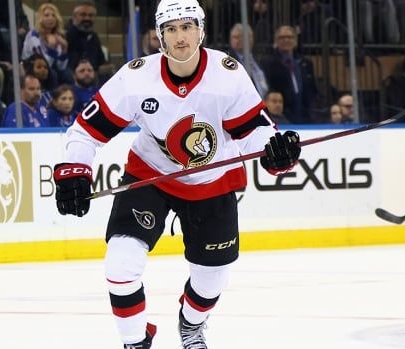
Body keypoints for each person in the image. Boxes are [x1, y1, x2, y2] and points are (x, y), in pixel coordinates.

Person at [52, 1, 301, 348]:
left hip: (212, 183)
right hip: (151, 177)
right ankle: (135, 340)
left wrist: (276, 149)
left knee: (210, 283)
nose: (180, 37)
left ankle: (191, 323)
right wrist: (74, 170)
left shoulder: (227, 75)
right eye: (170, 29)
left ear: (201, 30)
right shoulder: (137, 77)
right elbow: (84, 132)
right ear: (159, 37)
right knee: (120, 264)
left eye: (186, 27)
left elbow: (255, 130)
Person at [261, 25, 318, 124]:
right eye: (282, 38)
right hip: (282, 116)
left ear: (295, 40)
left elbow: (311, 88)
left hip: (305, 115)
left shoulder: (305, 63)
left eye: (290, 37)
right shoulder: (268, 62)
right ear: (276, 41)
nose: (286, 40)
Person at [21, 3, 70, 84]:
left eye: (53, 15)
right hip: (31, 67)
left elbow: (61, 67)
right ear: (40, 18)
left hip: (49, 70)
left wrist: (64, 48)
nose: (51, 18)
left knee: (67, 74)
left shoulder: (58, 36)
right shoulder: (34, 35)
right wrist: (51, 48)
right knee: (52, 74)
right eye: (46, 15)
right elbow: (44, 64)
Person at [66, 0, 114, 80]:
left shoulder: (94, 37)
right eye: (83, 15)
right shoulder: (67, 35)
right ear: (74, 16)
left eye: (91, 15)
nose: (87, 18)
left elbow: (101, 62)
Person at [227, 22, 268, 98]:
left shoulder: (258, 59)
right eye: (234, 37)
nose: (237, 41)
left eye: (240, 37)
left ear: (250, 38)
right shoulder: (229, 59)